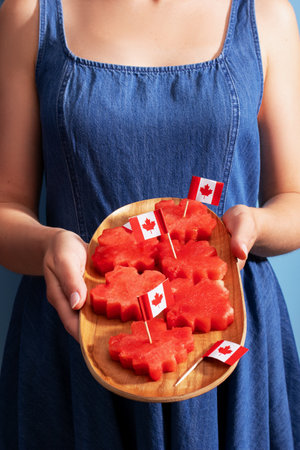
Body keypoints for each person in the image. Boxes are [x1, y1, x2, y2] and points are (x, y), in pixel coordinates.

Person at [0, 0, 299, 448]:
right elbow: (8, 206)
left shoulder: (265, 15)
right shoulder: (29, 13)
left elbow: (293, 201)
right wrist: (49, 244)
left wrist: (253, 225)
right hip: (78, 339)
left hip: (223, 342)